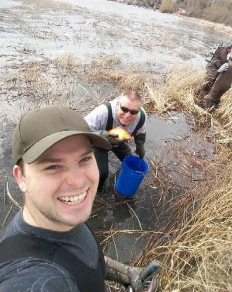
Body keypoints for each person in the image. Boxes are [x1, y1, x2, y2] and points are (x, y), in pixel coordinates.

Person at [0, 105, 157, 292]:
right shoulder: (36, 280)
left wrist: (125, 273)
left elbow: (78, 258)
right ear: (21, 177)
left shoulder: (57, 216)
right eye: (52, 167)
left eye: (84, 159)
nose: (78, 181)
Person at [85, 89, 147, 189]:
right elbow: (81, 131)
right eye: (124, 109)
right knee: (102, 173)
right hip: (98, 141)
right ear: (118, 104)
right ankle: (97, 191)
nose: (127, 115)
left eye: (133, 112)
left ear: (138, 110)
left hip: (119, 140)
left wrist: (140, 144)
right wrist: (101, 135)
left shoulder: (142, 117)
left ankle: (119, 182)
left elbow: (141, 131)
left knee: (129, 162)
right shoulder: (102, 113)